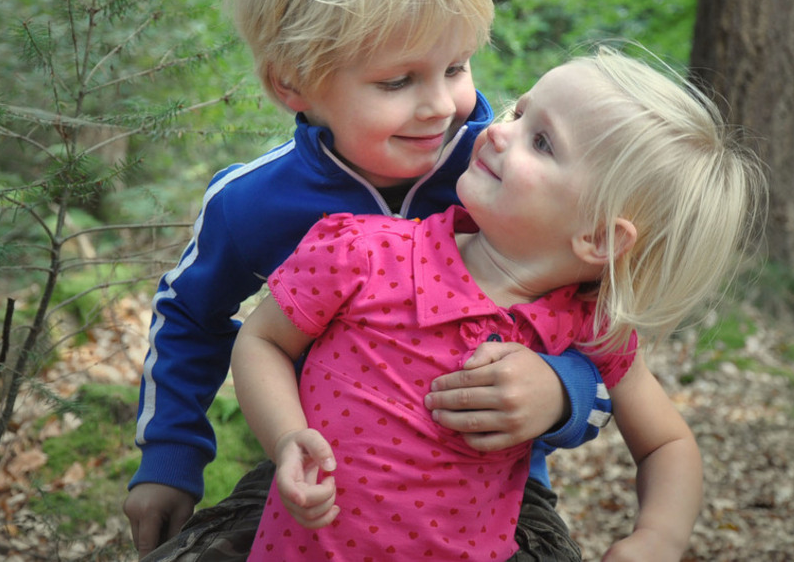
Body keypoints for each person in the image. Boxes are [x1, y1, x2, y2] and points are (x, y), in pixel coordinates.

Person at [125, 0, 613, 561]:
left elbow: (608, 329)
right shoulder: (255, 201)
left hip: (494, 492)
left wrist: (562, 392)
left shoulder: (508, 175)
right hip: (316, 475)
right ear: (292, 83)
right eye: (397, 81)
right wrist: (169, 457)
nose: (442, 104)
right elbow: (189, 313)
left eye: (456, 65)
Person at [231, 45, 765, 562]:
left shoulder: (587, 328)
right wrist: (285, 436)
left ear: (599, 239)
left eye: (541, 143)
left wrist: (657, 539)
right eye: (520, 112)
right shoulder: (364, 254)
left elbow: (667, 444)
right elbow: (262, 341)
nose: (496, 130)